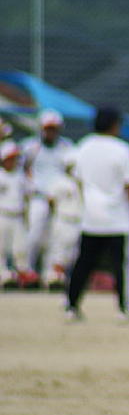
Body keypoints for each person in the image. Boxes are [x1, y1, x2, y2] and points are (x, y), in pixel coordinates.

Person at [65, 106, 129, 322]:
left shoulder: (83, 147)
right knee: (122, 264)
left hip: (91, 216)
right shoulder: (121, 149)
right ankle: (126, 307)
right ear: (114, 125)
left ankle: (71, 305)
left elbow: (77, 177)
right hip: (117, 218)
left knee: (84, 262)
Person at [22, 109, 75, 281]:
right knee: (34, 234)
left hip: (60, 199)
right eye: (48, 128)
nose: (51, 132)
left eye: (54, 128)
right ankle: (27, 270)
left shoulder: (67, 147)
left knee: (56, 236)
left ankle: (50, 274)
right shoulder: (30, 146)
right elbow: (23, 168)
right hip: (39, 197)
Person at [40, 147, 82, 290]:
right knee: (57, 249)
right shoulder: (59, 181)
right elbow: (50, 200)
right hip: (63, 219)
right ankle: (51, 277)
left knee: (73, 253)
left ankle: (64, 278)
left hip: (77, 221)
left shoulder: (82, 182)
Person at [0, 140, 32, 288]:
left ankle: (22, 273)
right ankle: (3, 274)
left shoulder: (21, 177)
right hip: (3, 214)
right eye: (11, 158)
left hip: (17, 215)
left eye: (16, 158)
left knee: (20, 247)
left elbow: (27, 196)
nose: (14, 162)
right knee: (1, 247)